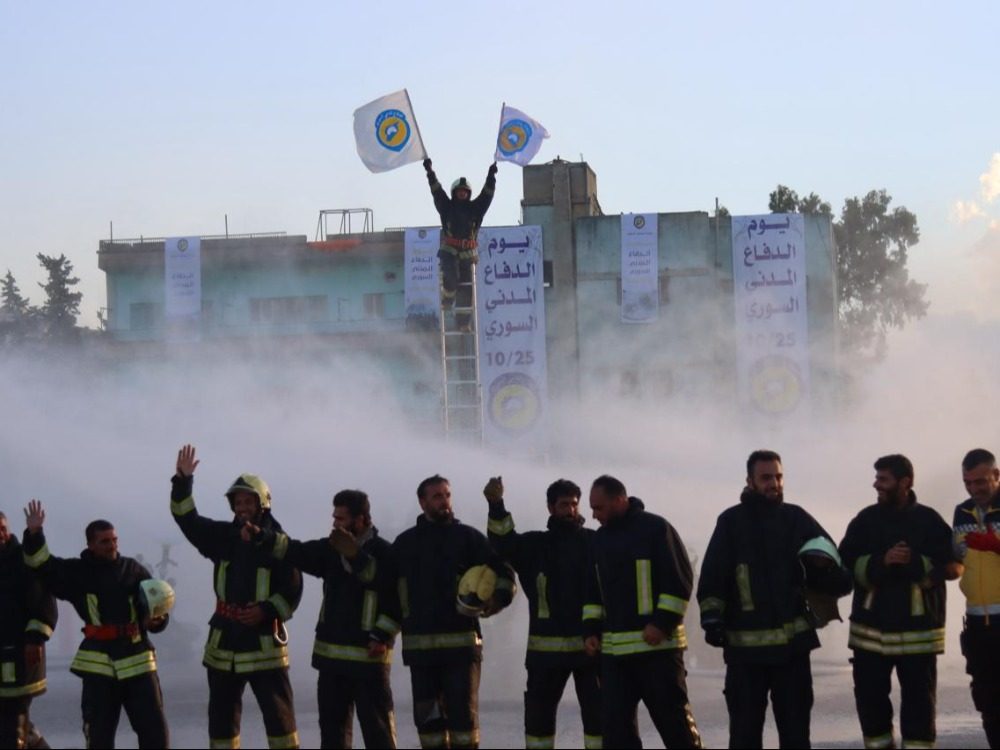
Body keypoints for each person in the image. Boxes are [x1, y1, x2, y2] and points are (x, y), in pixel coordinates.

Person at [696, 450, 852, 749]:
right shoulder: (731, 522)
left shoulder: (797, 519)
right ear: (750, 481)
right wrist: (711, 619)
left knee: (796, 737)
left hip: (793, 653)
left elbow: (838, 573)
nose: (774, 484)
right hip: (745, 655)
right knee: (744, 737)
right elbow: (713, 577)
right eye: (766, 478)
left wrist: (823, 570)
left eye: (779, 477)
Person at [170, 444, 302, 750]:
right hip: (224, 643)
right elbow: (186, 519)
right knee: (222, 720)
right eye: (237, 502)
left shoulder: (277, 542)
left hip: (263, 644)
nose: (241, 507)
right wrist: (183, 482)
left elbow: (293, 588)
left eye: (248, 501)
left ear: (262, 503)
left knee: (279, 719)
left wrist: (266, 610)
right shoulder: (223, 537)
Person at [251, 490, 399, 749]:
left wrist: (383, 636)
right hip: (331, 663)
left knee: (378, 734)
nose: (335, 523)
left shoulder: (385, 552)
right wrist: (263, 536)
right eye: (334, 517)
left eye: (341, 518)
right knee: (333, 736)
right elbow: (296, 551)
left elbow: (394, 599)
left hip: (369, 662)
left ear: (361, 520)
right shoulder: (330, 549)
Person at [21, 500, 169, 749]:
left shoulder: (133, 570)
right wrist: (35, 533)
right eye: (104, 541)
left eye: (114, 540)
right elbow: (41, 565)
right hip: (99, 668)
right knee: (99, 737)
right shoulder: (77, 573)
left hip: (139, 664)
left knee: (156, 735)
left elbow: (157, 606)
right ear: (90, 544)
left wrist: (157, 621)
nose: (112, 546)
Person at [839, 454, 961, 750]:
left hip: (918, 637)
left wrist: (916, 562)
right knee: (871, 708)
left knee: (920, 710)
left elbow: (955, 566)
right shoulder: (865, 520)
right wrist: (880, 562)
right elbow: (844, 565)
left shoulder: (929, 521)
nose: (876, 484)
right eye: (876, 478)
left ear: (905, 483)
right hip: (870, 636)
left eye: (883, 479)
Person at [392, 474, 516, 749]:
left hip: (461, 651)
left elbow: (504, 571)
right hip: (421, 655)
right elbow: (388, 592)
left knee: (464, 724)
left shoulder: (468, 539)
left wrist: (496, 600)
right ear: (422, 502)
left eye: (447, 495)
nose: (444, 501)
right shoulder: (405, 544)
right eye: (437, 496)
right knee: (428, 725)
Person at [582, 475, 701, 749]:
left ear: (619, 500)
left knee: (676, 728)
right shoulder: (599, 541)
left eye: (599, 507)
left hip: (658, 654)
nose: (594, 515)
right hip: (615, 660)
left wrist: (662, 623)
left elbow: (679, 581)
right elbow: (592, 592)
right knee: (616, 734)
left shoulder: (656, 529)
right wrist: (590, 631)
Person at [484, 477, 602, 750]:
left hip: (591, 650)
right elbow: (503, 543)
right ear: (550, 507)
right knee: (539, 723)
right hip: (545, 655)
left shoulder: (595, 543)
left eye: (574, 504)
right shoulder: (535, 546)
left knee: (599, 721)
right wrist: (496, 505)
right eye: (564, 505)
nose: (570, 510)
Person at [952, 448, 1000, 748]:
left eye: (980, 482)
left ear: (996, 475)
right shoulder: (962, 512)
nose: (974, 489)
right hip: (978, 625)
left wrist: (996, 545)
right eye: (967, 482)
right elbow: (956, 559)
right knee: (988, 701)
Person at [0, 510, 57, 750]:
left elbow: (43, 602)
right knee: (10, 723)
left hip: (19, 656)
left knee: (13, 722)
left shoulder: (23, 560)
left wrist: (35, 639)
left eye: (2, 528)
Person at [422, 158, 497, 330]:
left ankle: (463, 323)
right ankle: (447, 300)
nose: (462, 193)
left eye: (465, 191)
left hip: (468, 255)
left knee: (466, 289)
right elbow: (436, 191)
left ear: (468, 193)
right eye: (459, 191)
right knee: (451, 278)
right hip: (449, 252)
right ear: (454, 192)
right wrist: (429, 171)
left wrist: (491, 176)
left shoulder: (476, 208)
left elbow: (487, 195)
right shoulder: (446, 207)